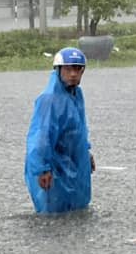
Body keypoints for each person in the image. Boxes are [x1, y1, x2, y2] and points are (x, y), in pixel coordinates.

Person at [24, 47, 95, 214]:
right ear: (58, 70)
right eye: (68, 68)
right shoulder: (49, 100)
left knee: (75, 213)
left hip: (73, 162)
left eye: (77, 69)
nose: (73, 74)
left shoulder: (76, 95)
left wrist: (86, 152)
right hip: (53, 167)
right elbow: (41, 137)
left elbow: (79, 128)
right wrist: (43, 169)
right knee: (53, 214)